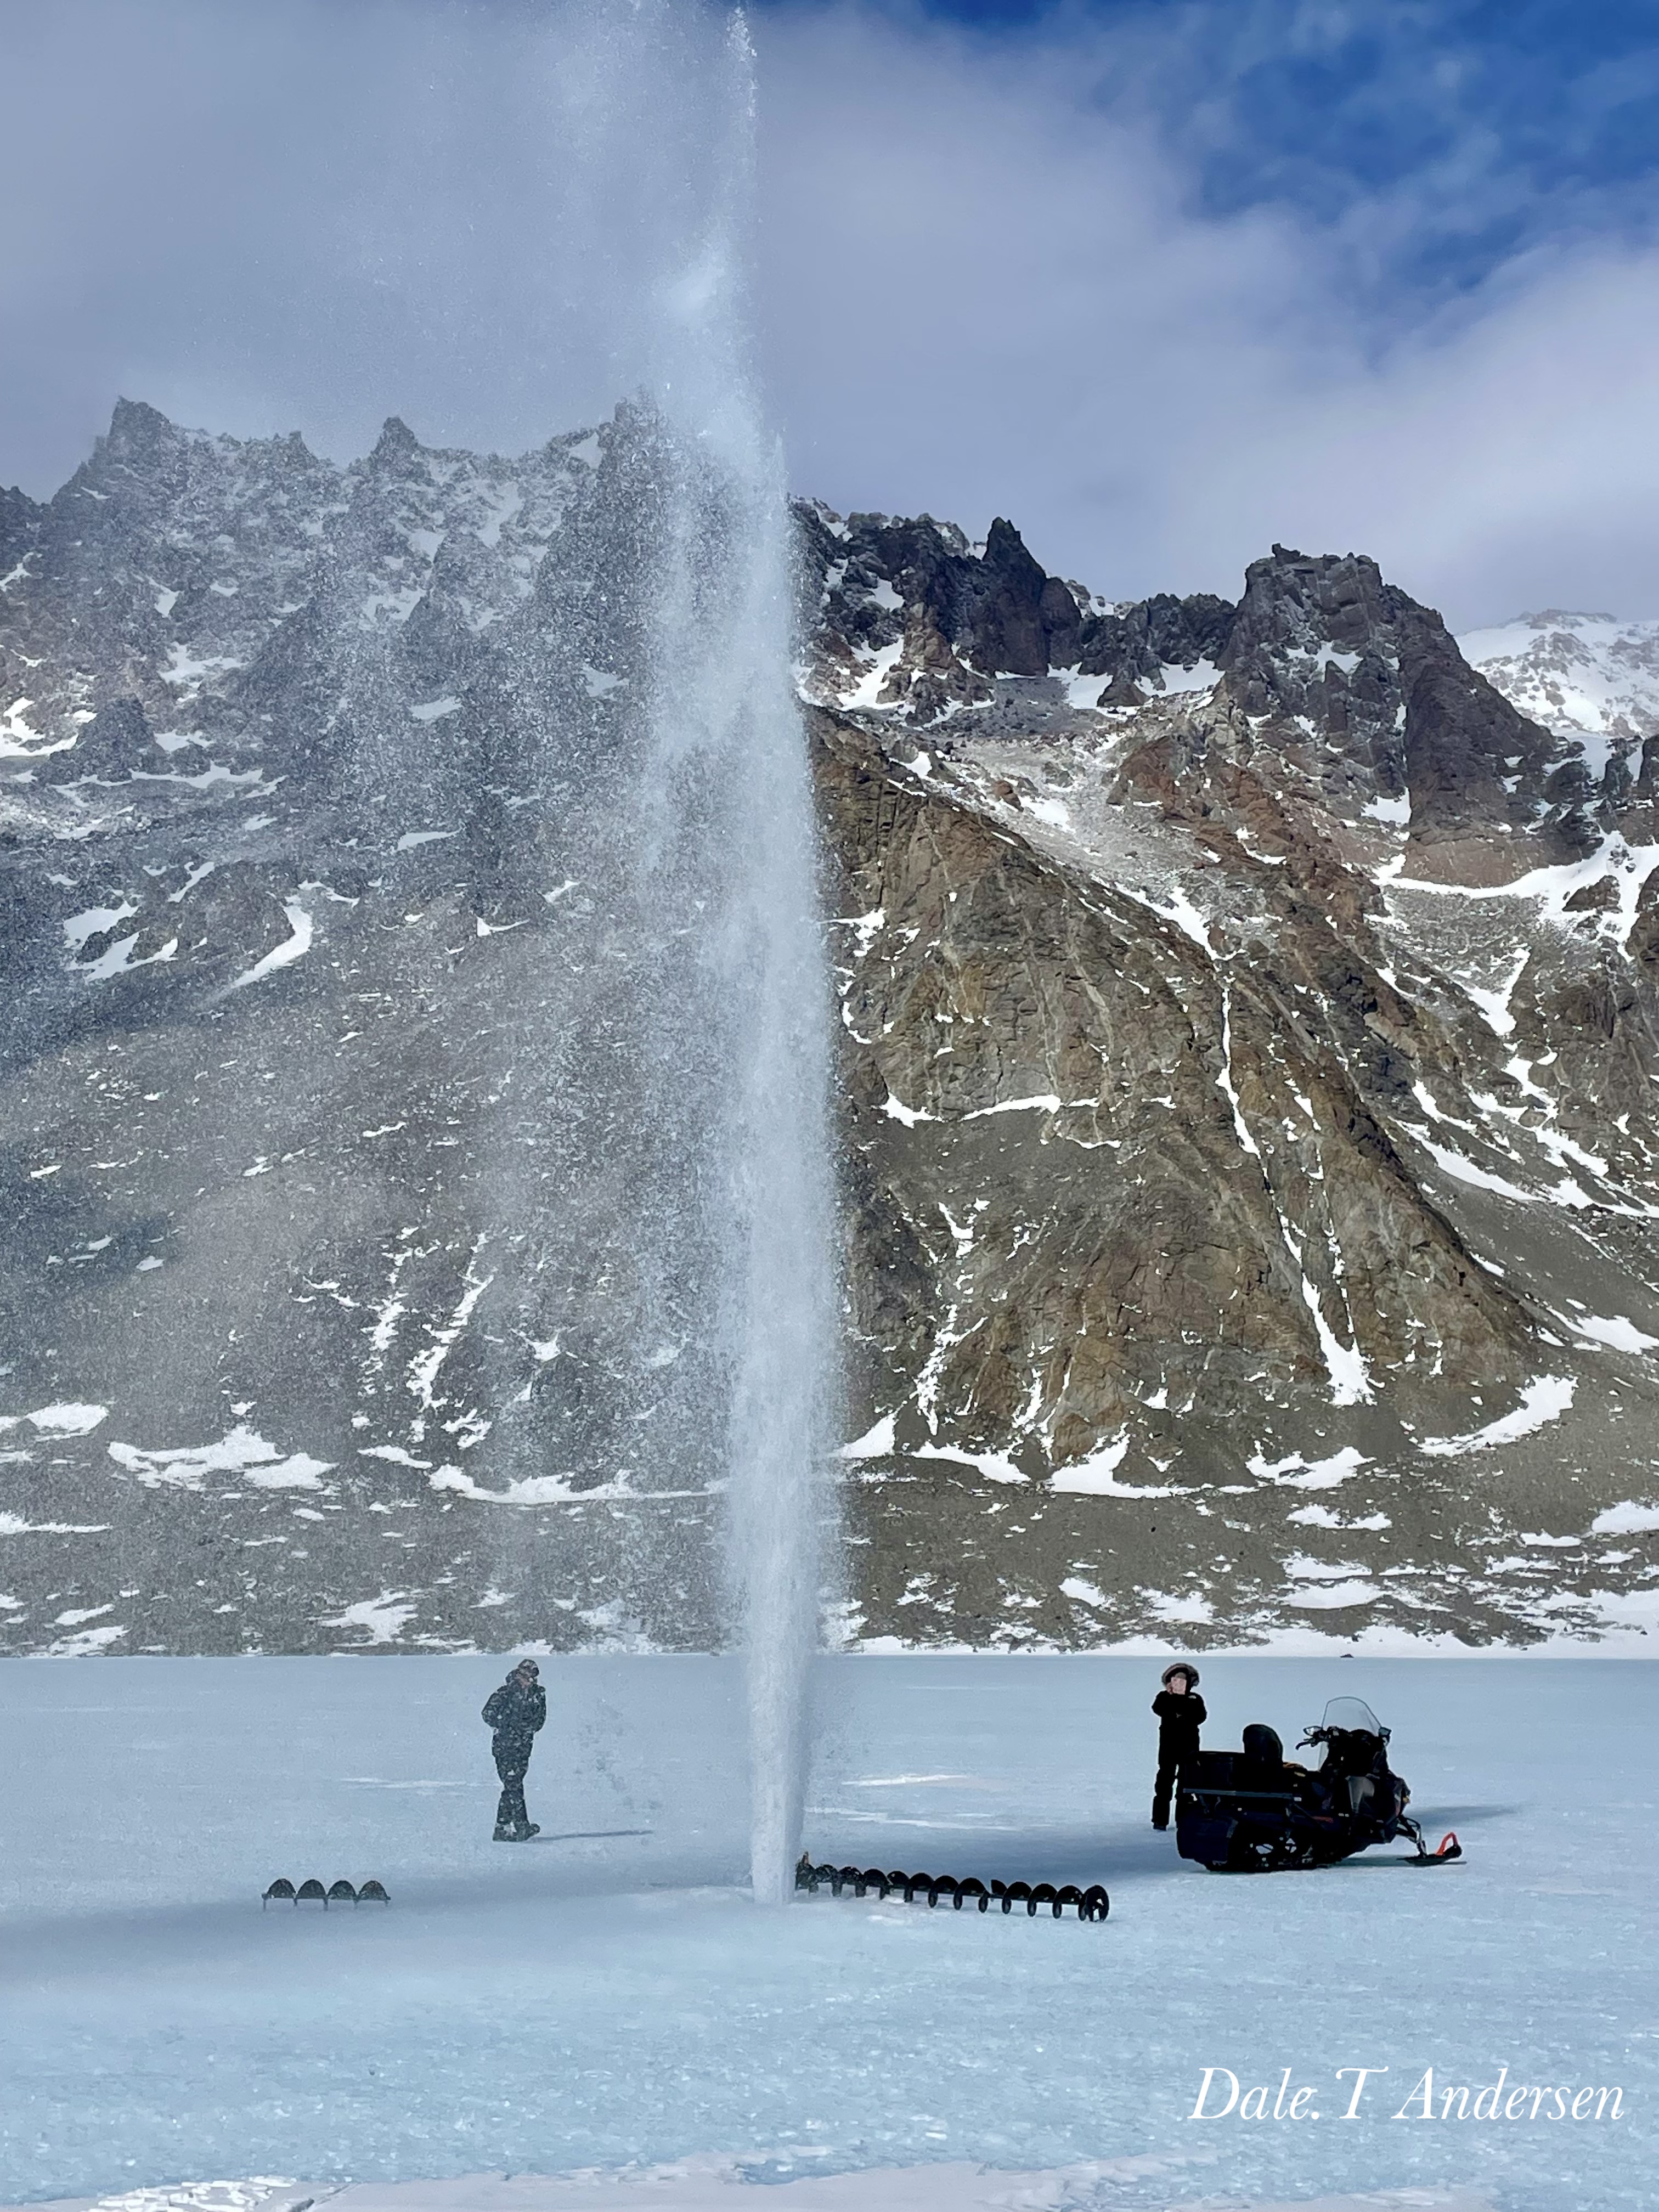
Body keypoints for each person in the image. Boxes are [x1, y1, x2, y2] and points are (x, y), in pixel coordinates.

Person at [483, 1657, 546, 1841]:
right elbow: (487, 1714)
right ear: (518, 1674)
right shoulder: (504, 1693)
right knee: (513, 1785)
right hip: (505, 1746)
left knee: (513, 1786)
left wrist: (527, 1729)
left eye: (532, 1676)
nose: (529, 1679)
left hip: (524, 1747)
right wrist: (508, 1725)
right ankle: (520, 1826)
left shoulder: (538, 1695)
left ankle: (502, 1827)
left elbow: (540, 1720)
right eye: (525, 1675)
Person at [1151, 1661, 1206, 1830]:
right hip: (1168, 1748)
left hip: (1189, 1749)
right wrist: (1173, 1699)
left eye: (1182, 1681)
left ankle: (1184, 1821)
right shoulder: (1163, 1697)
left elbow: (1200, 1717)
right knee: (1163, 1785)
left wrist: (1182, 1709)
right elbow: (1158, 1709)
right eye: (1175, 1680)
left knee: (1186, 1787)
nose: (1178, 1684)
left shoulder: (1195, 1699)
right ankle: (1160, 1821)